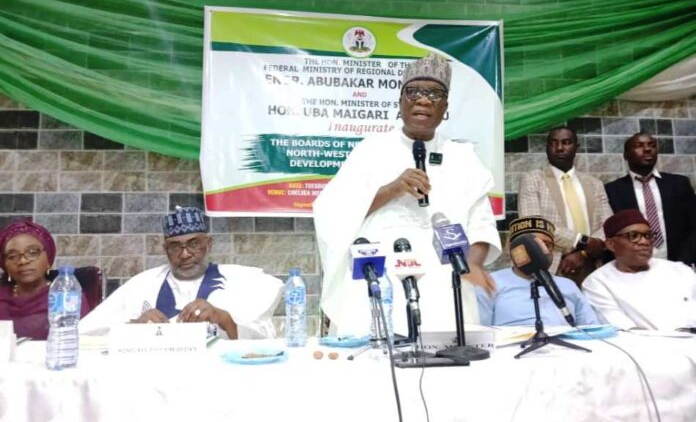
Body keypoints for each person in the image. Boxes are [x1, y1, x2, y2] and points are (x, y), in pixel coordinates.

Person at [313, 54, 501, 336]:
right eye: (414, 92)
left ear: (445, 106)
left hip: (445, 283)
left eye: (434, 94)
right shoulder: (370, 151)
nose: (423, 100)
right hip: (381, 277)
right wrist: (392, 189)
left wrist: (472, 263)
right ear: (401, 101)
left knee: (447, 364)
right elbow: (332, 212)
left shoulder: (463, 158)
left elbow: (481, 226)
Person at [80, 207, 283, 339]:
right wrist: (135, 326)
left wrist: (223, 318)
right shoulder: (143, 284)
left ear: (208, 244)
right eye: (175, 247)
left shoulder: (241, 280)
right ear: (165, 249)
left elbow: (265, 337)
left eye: (193, 244)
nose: (185, 254)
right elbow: (86, 332)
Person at [518, 126, 613, 285]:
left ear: (576, 147)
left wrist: (583, 253)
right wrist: (581, 241)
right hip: (551, 265)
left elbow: (609, 225)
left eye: (566, 142)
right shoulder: (533, 179)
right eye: (553, 143)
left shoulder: (594, 184)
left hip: (592, 266)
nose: (560, 148)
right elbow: (534, 225)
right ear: (547, 148)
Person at [582, 209, 696, 330]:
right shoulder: (597, 282)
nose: (644, 242)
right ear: (611, 244)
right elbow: (624, 329)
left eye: (648, 235)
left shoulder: (679, 270)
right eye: (634, 236)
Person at [477, 216, 599, 327]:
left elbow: (592, 329)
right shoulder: (489, 283)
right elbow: (480, 334)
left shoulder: (567, 285)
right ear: (511, 249)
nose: (539, 250)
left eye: (546, 244)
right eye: (531, 244)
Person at [604, 132, 696, 266]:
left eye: (652, 145)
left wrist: (684, 261)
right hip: (633, 268)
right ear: (626, 155)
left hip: (677, 264)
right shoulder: (612, 190)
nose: (647, 149)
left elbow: (693, 226)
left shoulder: (679, 184)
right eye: (639, 146)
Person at [0, 220, 91, 340]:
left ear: (48, 259)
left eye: (33, 253)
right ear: (5, 265)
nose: (23, 261)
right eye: (12, 256)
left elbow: (85, 341)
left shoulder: (67, 298)